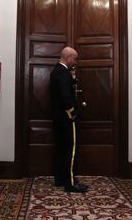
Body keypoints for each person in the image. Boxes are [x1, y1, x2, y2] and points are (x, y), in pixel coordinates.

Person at [50, 46, 88, 193]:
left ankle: (61, 179)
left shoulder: (56, 71)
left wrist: (72, 77)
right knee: (70, 150)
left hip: (58, 118)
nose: (76, 62)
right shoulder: (63, 73)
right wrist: (73, 114)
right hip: (66, 119)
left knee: (61, 149)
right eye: (75, 58)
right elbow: (66, 96)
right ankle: (70, 183)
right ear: (68, 57)